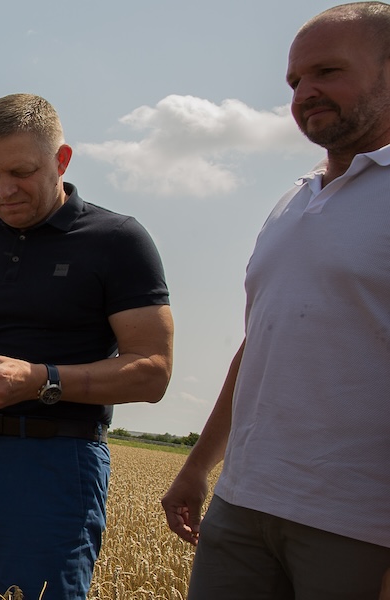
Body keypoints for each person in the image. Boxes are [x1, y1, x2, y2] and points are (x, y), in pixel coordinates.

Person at [161, 4, 390, 598]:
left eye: (328, 71)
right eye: (295, 81)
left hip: (358, 527)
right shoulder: (293, 200)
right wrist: (198, 465)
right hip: (243, 505)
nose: (305, 92)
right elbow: (260, 344)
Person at [0, 94, 173, 600]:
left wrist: (41, 380)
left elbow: (152, 370)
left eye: (20, 172)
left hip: (55, 459)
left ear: (62, 160)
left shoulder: (117, 239)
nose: (4, 190)